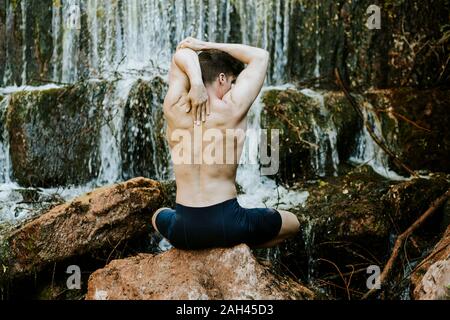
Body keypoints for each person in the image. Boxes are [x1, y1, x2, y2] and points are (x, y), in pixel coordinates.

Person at [151, 37, 300, 250]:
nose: (232, 88)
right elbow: (260, 56)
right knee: (293, 223)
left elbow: (180, 55)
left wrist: (195, 82)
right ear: (222, 78)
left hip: (183, 229)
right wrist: (206, 46)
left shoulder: (174, 106)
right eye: (232, 82)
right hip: (226, 223)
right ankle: (238, 247)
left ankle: (205, 243)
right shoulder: (233, 106)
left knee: (157, 215)